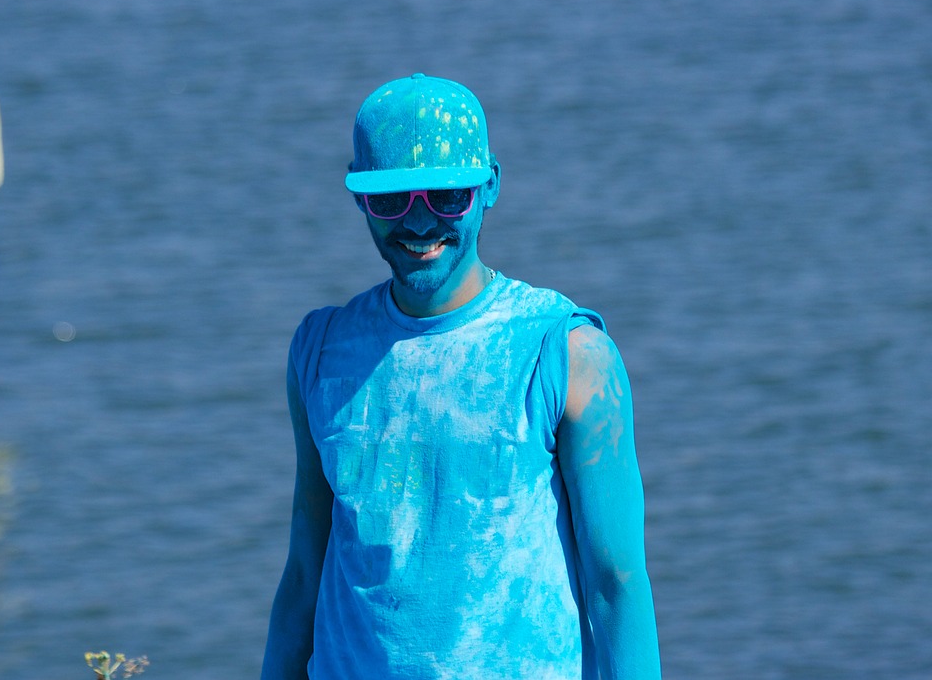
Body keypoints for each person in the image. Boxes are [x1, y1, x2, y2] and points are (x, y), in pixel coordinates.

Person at [261, 74, 661, 679]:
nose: (420, 224)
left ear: (490, 185)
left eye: (447, 197)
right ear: (358, 197)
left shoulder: (567, 352)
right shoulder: (319, 352)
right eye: (392, 200)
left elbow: (616, 583)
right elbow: (302, 575)